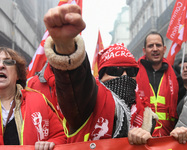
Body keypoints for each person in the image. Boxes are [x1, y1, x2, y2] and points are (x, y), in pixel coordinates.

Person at [42, 4, 158, 144]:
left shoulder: (147, 115)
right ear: (101, 76)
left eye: (131, 71)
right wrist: (66, 47)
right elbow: (75, 84)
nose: (125, 76)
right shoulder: (90, 100)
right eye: (116, 71)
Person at [0, 47, 67, 149]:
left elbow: (60, 136)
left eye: (8, 62)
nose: (1, 66)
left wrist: (51, 143)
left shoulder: (39, 100)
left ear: (17, 74)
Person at [136, 31, 181, 137]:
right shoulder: (134, 73)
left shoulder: (175, 76)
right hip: (143, 136)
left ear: (164, 49)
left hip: (169, 136)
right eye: (150, 46)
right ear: (144, 50)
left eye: (158, 45)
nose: (155, 49)